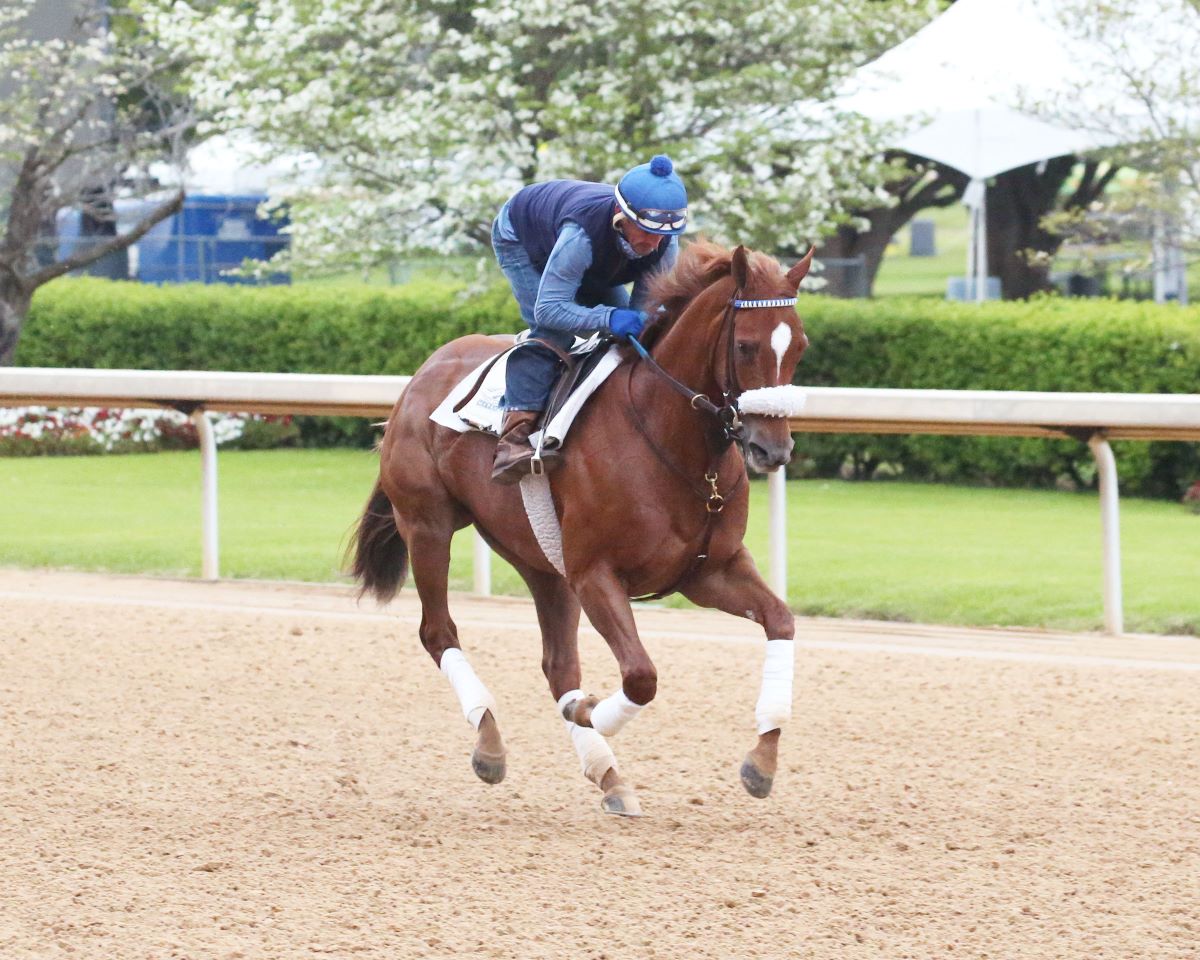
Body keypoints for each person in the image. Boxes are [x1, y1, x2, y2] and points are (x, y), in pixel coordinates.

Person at [488, 154, 688, 483]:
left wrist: (637, 322)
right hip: (523, 237)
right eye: (645, 232)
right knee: (553, 331)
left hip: (592, 257)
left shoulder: (664, 242)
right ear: (621, 215)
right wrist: (608, 317)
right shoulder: (580, 236)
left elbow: (645, 314)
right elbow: (549, 308)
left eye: (660, 236)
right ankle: (513, 438)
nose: (652, 244)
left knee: (636, 335)